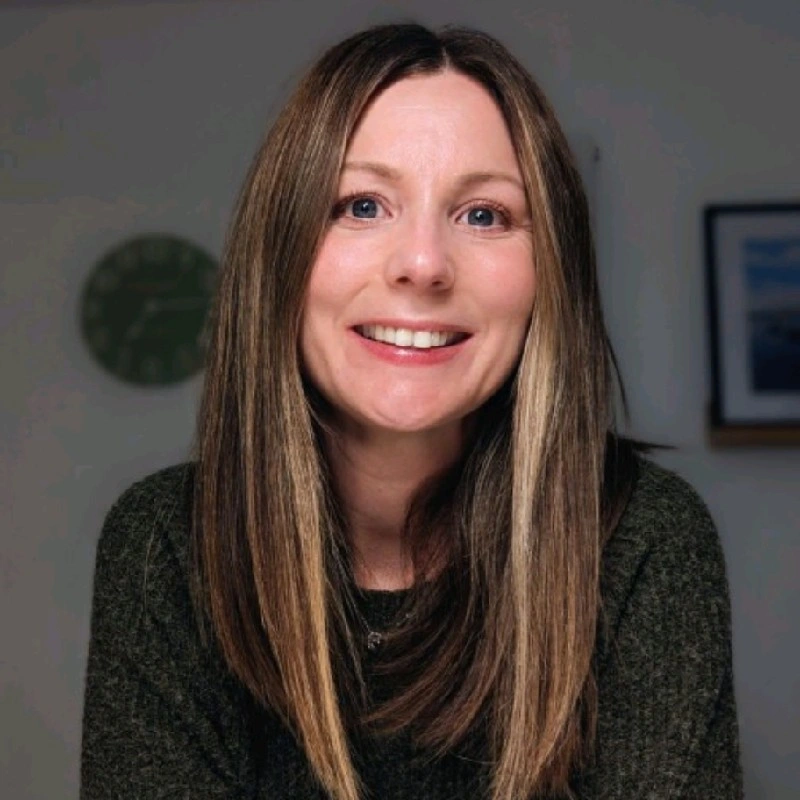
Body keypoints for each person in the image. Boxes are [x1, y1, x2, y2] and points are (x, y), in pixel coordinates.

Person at [80, 22, 743, 800]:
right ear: (281, 253)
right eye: (362, 205)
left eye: (485, 215)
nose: (423, 264)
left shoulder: (642, 542)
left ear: (548, 277)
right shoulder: (169, 546)